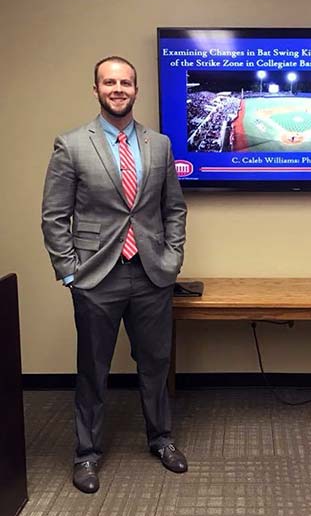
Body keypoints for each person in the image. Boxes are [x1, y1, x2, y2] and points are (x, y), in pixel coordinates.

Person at [41, 56, 188, 494]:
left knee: (156, 364)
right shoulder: (70, 145)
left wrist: (172, 257)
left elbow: (173, 209)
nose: (118, 88)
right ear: (96, 89)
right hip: (96, 277)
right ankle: (86, 455)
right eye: (109, 82)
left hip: (150, 275)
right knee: (93, 370)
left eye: (125, 82)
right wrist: (69, 273)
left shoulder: (159, 144)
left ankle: (161, 440)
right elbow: (54, 216)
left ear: (136, 90)